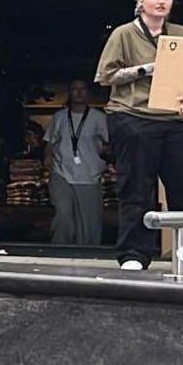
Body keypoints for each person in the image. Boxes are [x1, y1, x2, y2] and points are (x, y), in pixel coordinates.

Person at [95, 0, 183, 271]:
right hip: (134, 116)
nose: (161, 2)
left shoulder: (182, 33)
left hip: (176, 117)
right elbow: (106, 76)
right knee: (136, 187)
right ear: (140, 1)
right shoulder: (124, 34)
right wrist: (147, 69)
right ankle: (134, 254)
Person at [47, 79, 109, 246]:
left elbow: (109, 144)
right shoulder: (59, 117)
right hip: (62, 172)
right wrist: (48, 159)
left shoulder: (99, 118)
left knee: (88, 220)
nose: (79, 92)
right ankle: (59, 250)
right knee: (63, 214)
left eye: (83, 89)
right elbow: (50, 142)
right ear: (70, 92)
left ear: (88, 93)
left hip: (90, 174)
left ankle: (87, 251)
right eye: (75, 89)